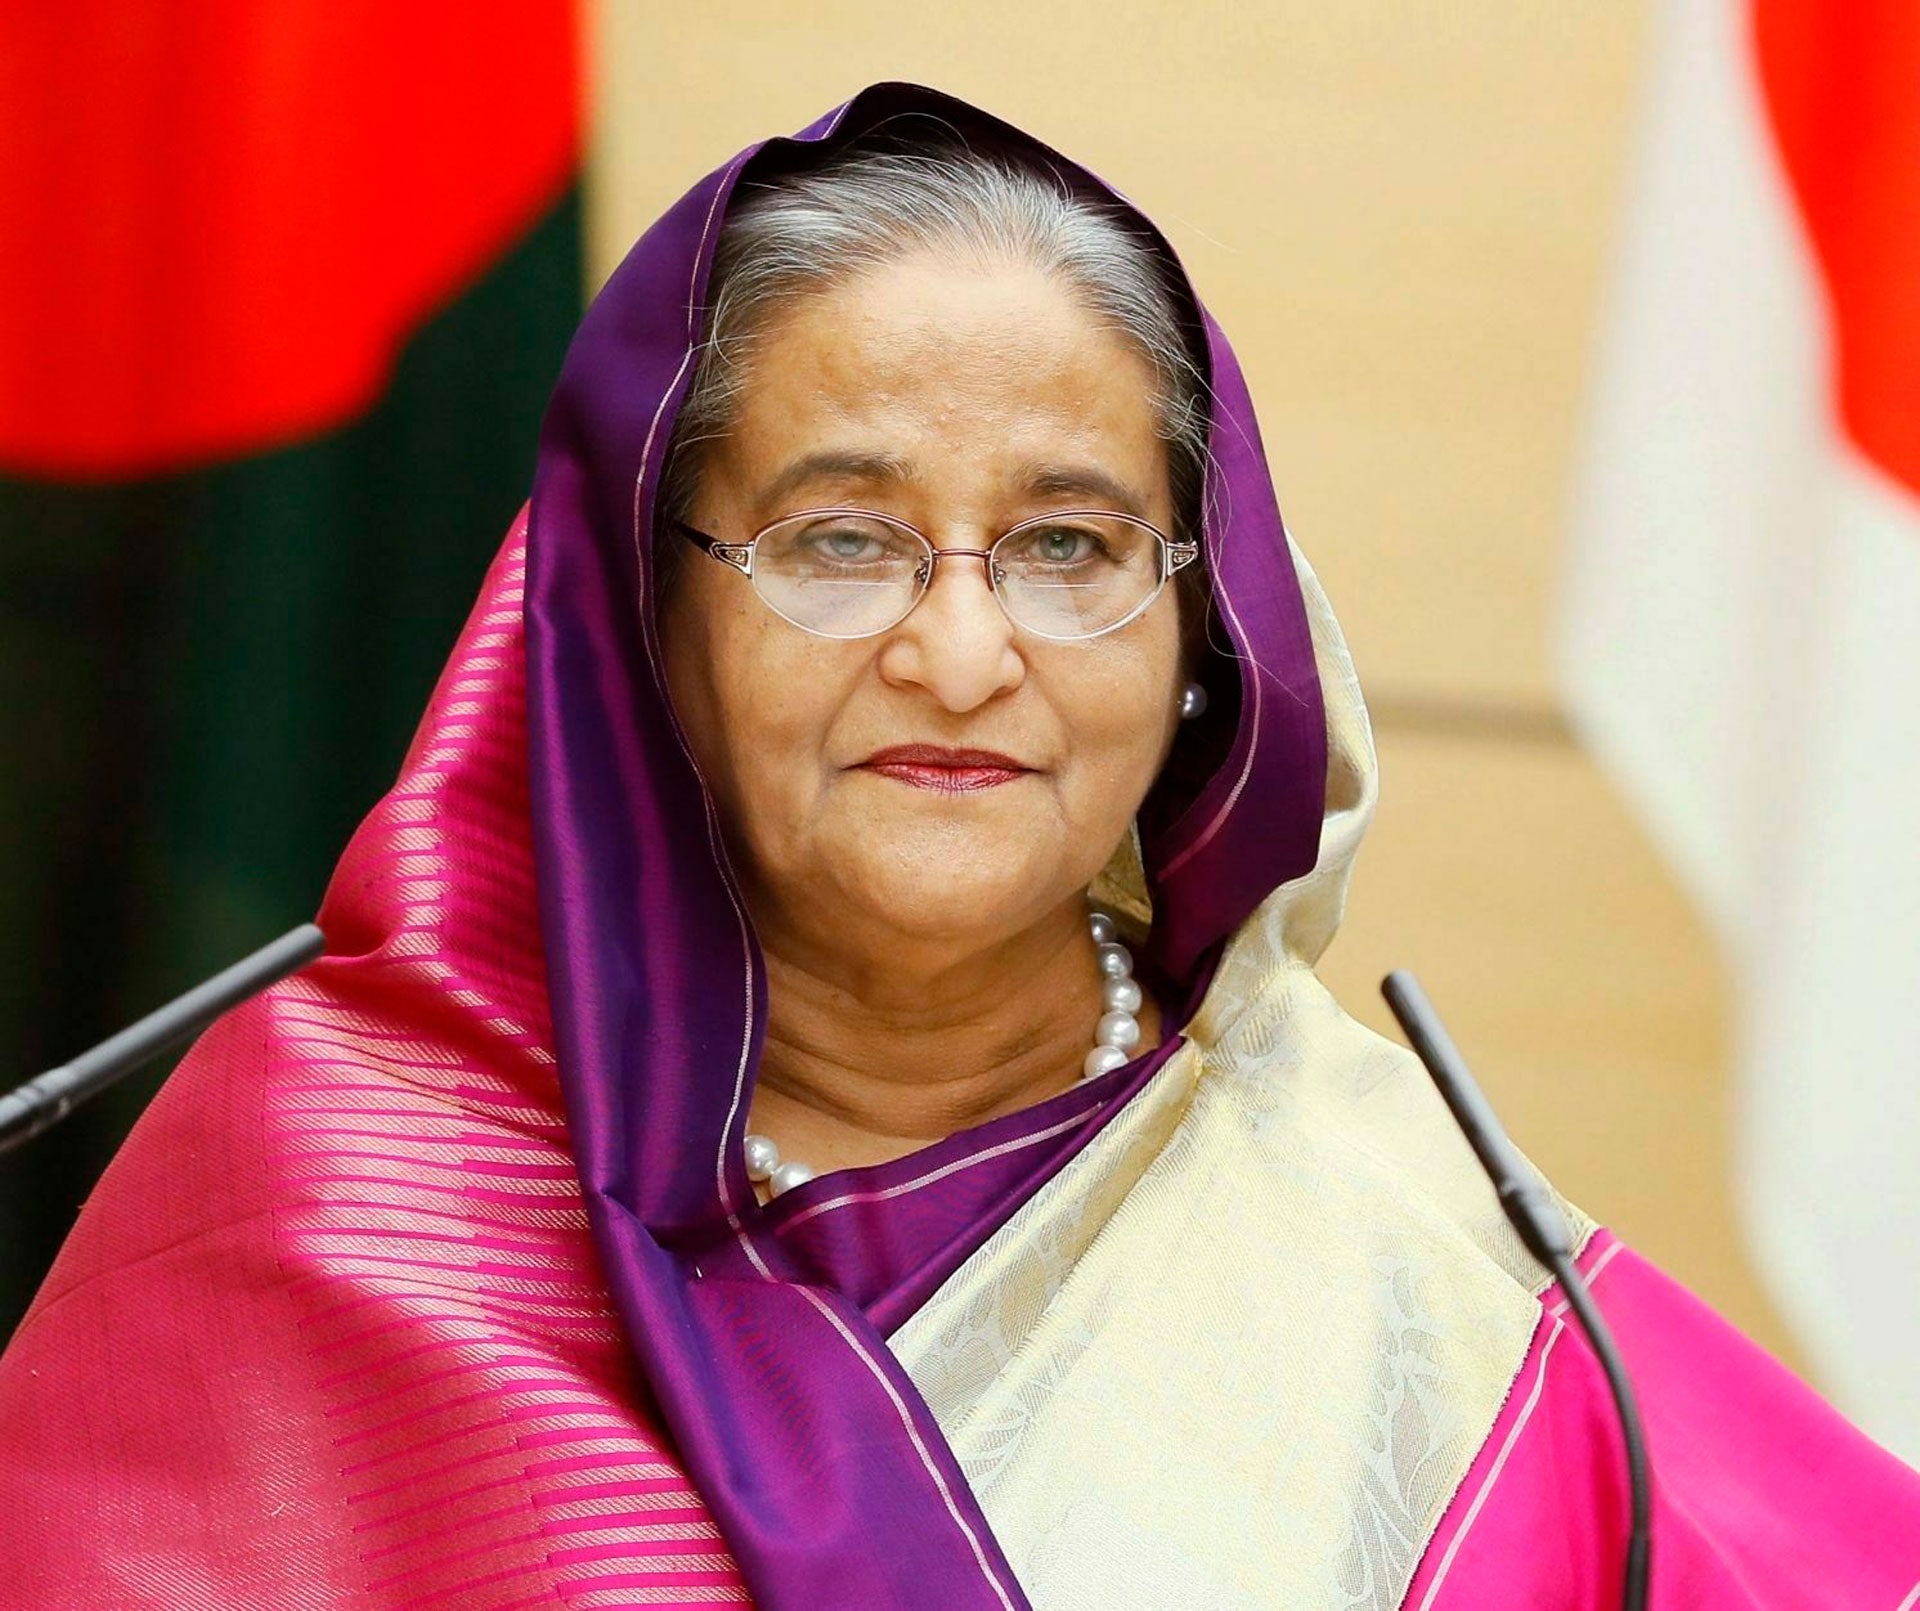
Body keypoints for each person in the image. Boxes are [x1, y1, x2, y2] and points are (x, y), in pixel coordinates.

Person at [1, 82, 1915, 1611]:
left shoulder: (1431, 1278)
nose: (963, 651)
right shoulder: (335, 1208)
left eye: (1071, 547)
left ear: (1204, 631)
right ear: (644, 617)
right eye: (842, 539)